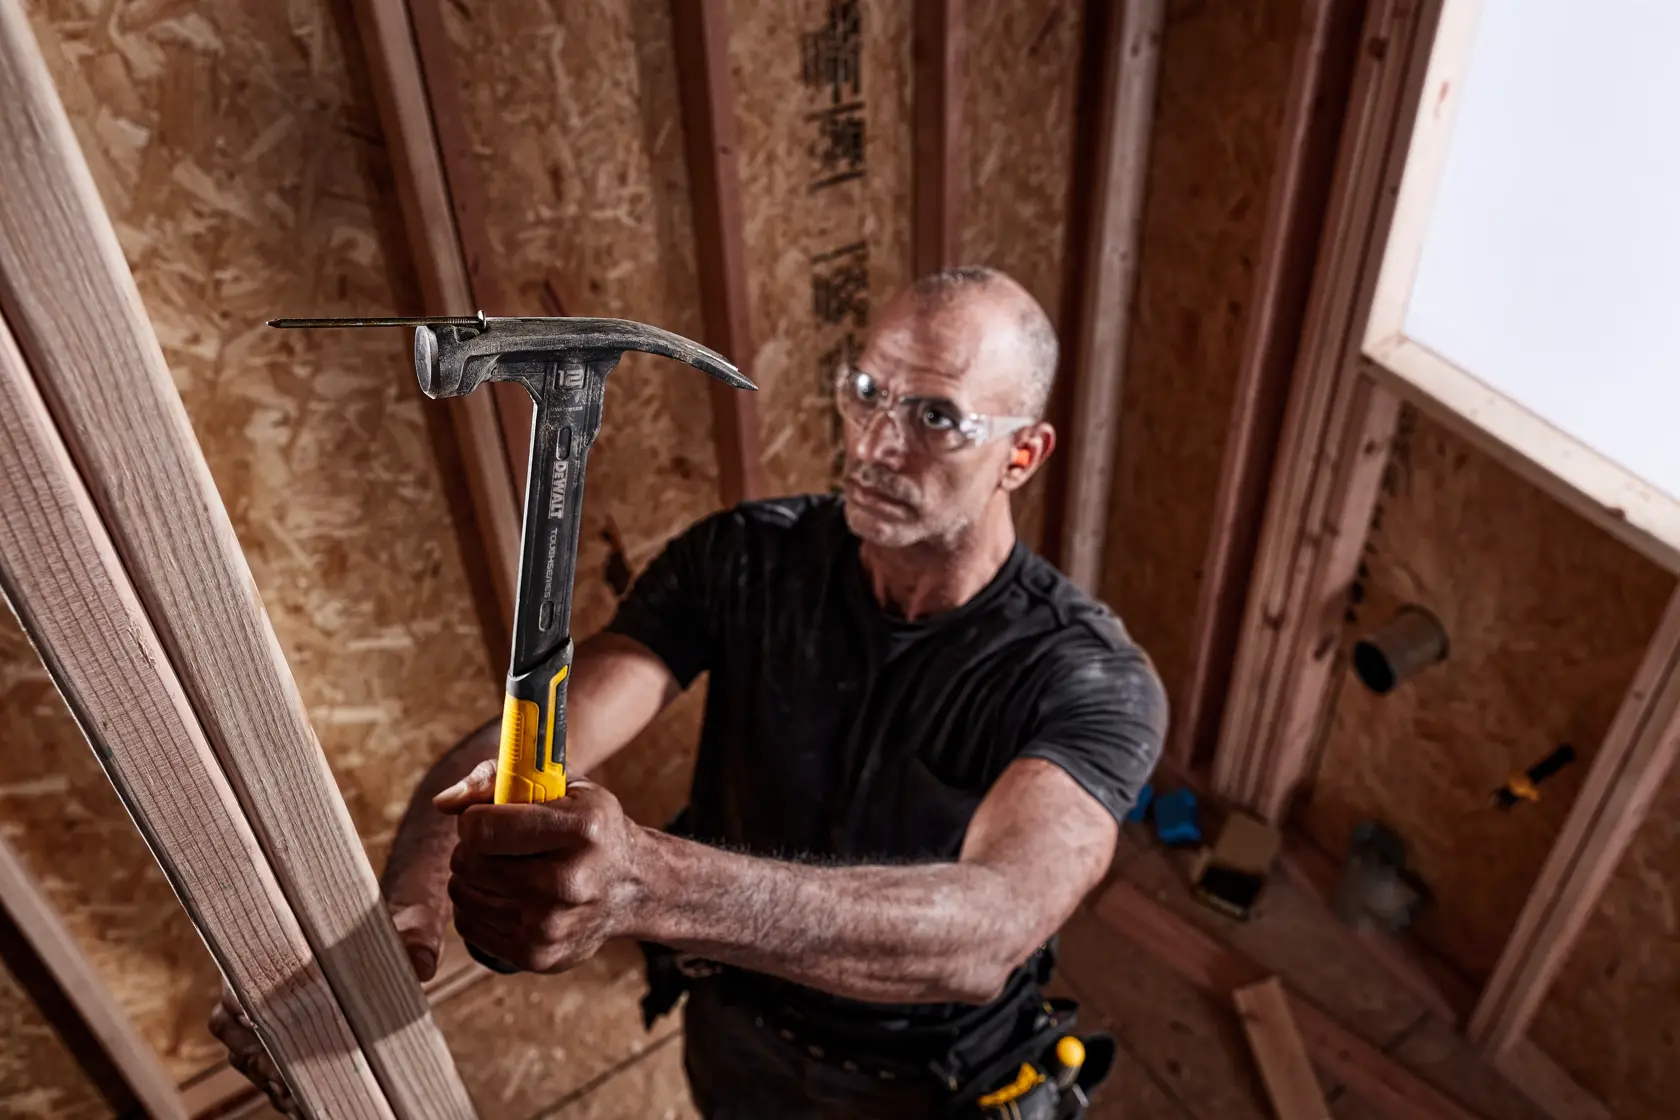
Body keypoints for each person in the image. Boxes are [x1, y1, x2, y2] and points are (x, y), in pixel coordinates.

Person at [211, 266, 1167, 1118]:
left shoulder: (1088, 676)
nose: (876, 443)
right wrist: (402, 920)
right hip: (733, 1034)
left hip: (924, 1086)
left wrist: (647, 886)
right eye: (868, 390)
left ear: (1022, 455)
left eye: (935, 417)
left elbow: (989, 930)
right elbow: (530, 744)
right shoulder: (748, 559)